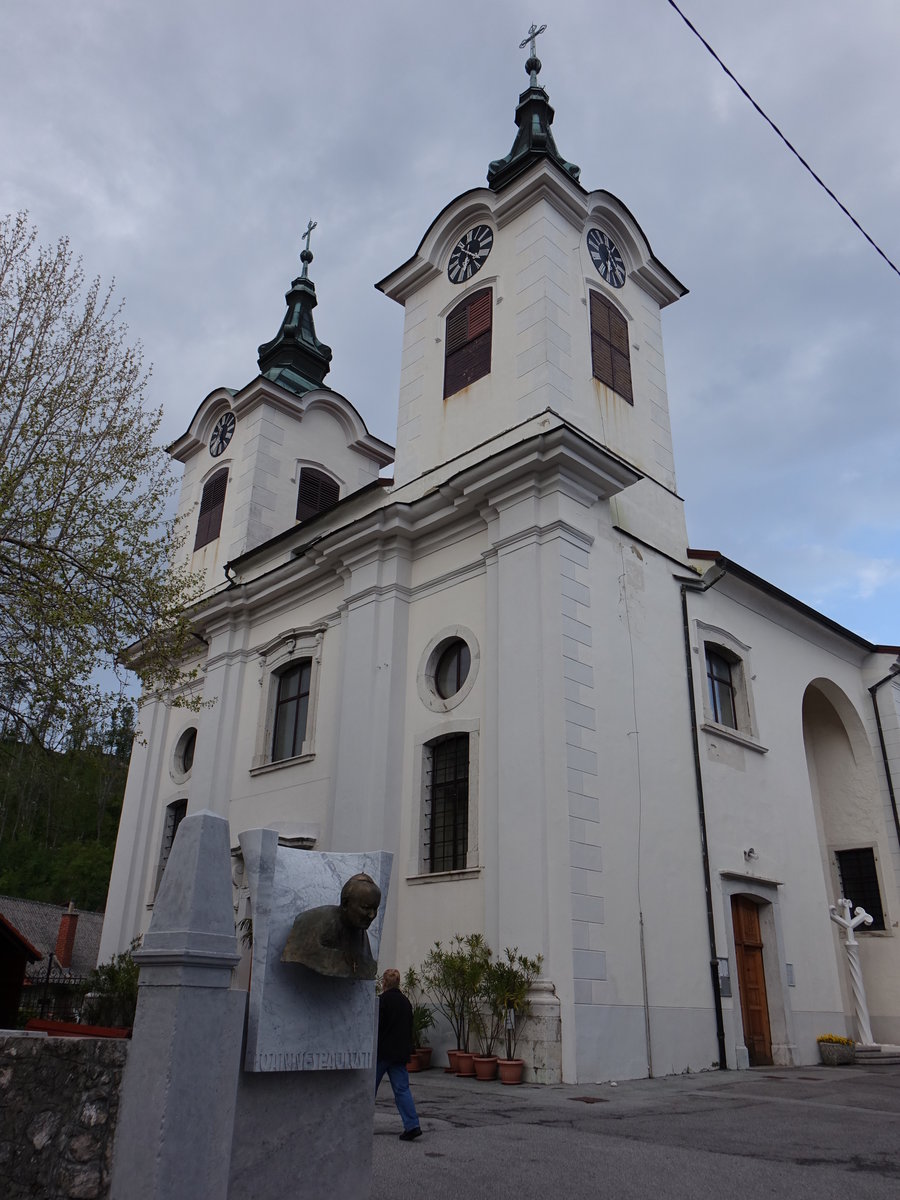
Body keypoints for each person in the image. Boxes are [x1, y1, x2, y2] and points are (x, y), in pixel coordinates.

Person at [281, 873, 381, 978]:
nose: (372, 915)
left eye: (375, 909)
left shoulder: (360, 932)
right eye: (365, 908)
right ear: (345, 904)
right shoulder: (313, 920)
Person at [375, 968, 422, 1141]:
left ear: (384, 983)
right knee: (402, 1090)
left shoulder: (381, 1001)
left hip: (382, 1052)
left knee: (368, 1089)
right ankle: (412, 1125)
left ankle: (359, 1124)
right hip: (399, 1053)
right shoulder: (406, 1002)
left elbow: (376, 1026)